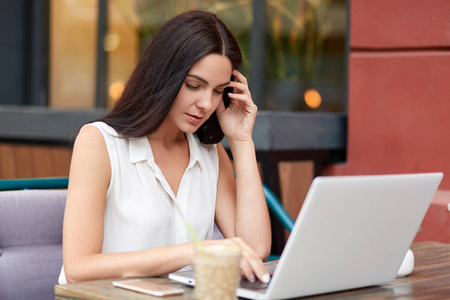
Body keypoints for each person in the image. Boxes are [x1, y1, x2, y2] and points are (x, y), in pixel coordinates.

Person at [59, 10, 271, 285]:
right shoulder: (99, 142)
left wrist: (241, 141)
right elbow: (78, 267)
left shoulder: (209, 153)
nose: (206, 103)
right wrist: (194, 252)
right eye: (195, 85)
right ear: (165, 75)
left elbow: (255, 250)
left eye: (218, 91)